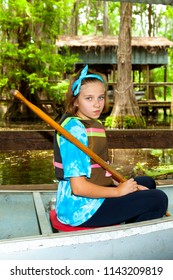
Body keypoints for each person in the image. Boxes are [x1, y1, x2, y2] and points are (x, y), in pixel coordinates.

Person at [53, 64, 168, 227]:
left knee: (147, 183)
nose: (97, 104)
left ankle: (129, 224)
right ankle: (130, 238)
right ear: (75, 101)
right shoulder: (74, 130)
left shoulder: (92, 123)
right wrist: (118, 192)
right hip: (80, 208)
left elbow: (98, 171)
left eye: (101, 97)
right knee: (158, 199)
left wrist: (120, 184)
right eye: (89, 98)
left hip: (94, 195)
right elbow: (78, 188)